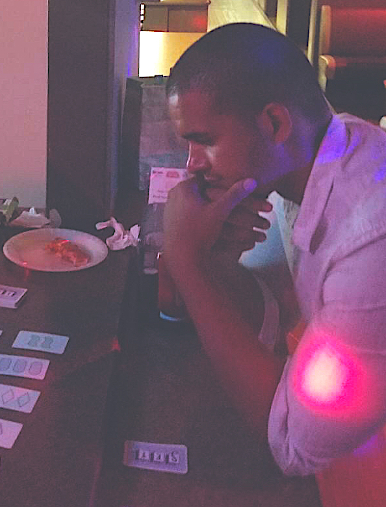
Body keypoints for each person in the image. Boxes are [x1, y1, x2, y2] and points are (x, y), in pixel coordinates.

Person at [161, 23, 386, 476]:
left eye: (204, 141)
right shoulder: (303, 166)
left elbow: (294, 444)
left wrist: (187, 262)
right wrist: (208, 258)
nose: (191, 164)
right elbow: (270, 314)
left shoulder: (369, 242)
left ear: (275, 124)